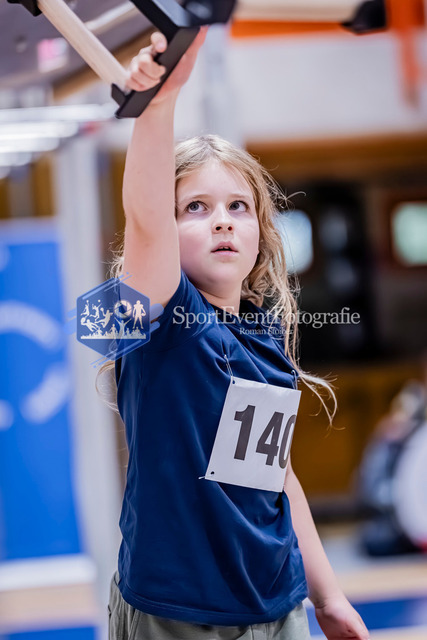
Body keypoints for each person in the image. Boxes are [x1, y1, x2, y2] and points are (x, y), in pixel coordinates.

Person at [106, 26, 370, 640]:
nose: (221, 221)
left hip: (279, 605)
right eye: (195, 207)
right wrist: (159, 104)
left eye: (237, 207)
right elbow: (145, 222)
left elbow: (274, 475)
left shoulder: (262, 333)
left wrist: (328, 597)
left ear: (260, 232)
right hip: (177, 614)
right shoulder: (164, 319)